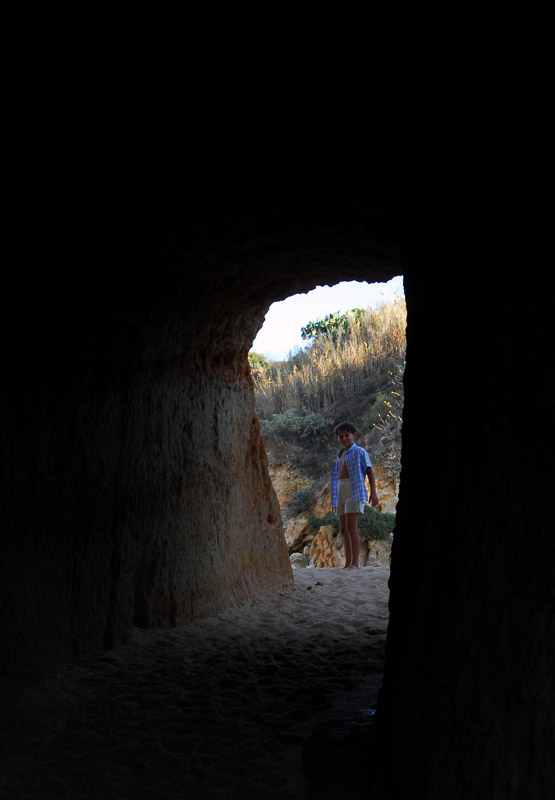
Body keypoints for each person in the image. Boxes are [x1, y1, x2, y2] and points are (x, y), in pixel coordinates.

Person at [331, 421, 379, 568]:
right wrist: (335, 499)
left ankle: (355, 563)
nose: (344, 438)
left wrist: (373, 493)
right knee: (343, 529)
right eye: (341, 436)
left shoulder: (359, 451)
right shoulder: (340, 455)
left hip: (354, 490)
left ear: (354, 435)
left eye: (347, 435)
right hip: (341, 491)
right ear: (337, 438)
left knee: (352, 528)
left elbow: (369, 471)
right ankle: (347, 563)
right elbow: (336, 477)